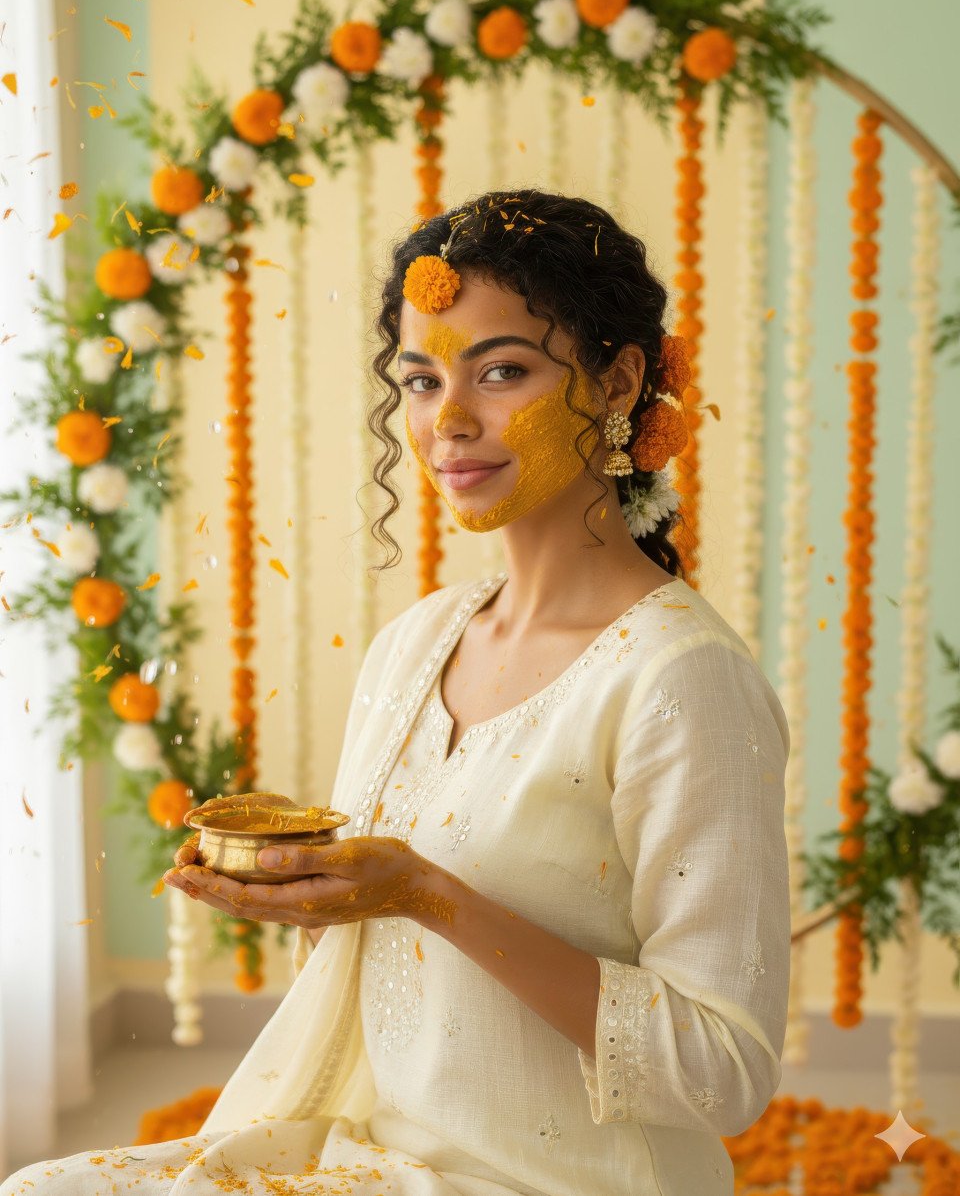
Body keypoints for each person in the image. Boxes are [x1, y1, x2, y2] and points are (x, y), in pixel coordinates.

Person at [2, 189, 791, 1195]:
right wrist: (315, 891)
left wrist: (427, 896)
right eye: (419, 381)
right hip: (377, 1158)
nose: (449, 422)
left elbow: (725, 1072)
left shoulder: (683, 683)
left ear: (620, 380)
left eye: (502, 371)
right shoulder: (417, 642)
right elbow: (401, 957)